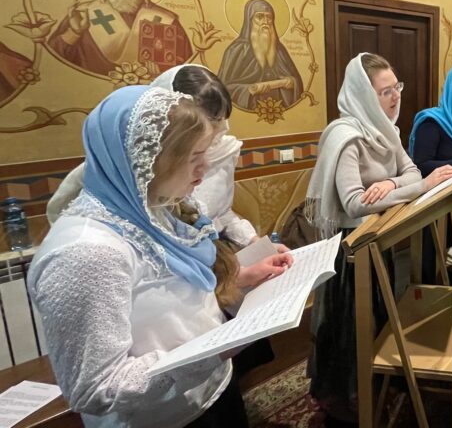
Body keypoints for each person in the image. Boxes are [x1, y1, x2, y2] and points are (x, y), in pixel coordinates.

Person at [29, 86, 292, 428]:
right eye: (194, 157)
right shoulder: (85, 252)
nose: (205, 167)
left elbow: (173, 291)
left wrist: (243, 277)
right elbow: (95, 388)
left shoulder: (157, 208)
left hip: (212, 389)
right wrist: (215, 350)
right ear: (149, 162)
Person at [305, 53, 452, 425]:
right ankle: (349, 404)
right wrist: (419, 186)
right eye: (385, 91)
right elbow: (355, 203)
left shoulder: (385, 129)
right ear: (364, 95)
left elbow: (411, 171)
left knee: (378, 319)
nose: (396, 96)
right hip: (350, 251)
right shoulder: (346, 138)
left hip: (379, 238)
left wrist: (390, 183)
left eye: (396, 87)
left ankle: (377, 386)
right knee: (351, 331)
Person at [46, 65, 257, 247]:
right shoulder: (132, 172)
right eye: (193, 155)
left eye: (217, 119)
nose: (204, 166)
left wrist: (253, 243)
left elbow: (221, 214)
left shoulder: (225, 150)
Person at [48, 0, 192, 76]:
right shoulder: (83, 14)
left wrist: (160, 75)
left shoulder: (166, 20)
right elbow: (52, 61)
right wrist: (74, 33)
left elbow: (187, 70)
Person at [218, 0, 304, 111]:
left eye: (269, 17)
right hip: (248, 113)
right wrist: (249, 89)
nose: (266, 22)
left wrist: (291, 82)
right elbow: (221, 90)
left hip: (279, 110)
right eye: (260, 17)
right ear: (249, 21)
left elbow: (297, 83)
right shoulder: (236, 50)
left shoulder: (279, 50)